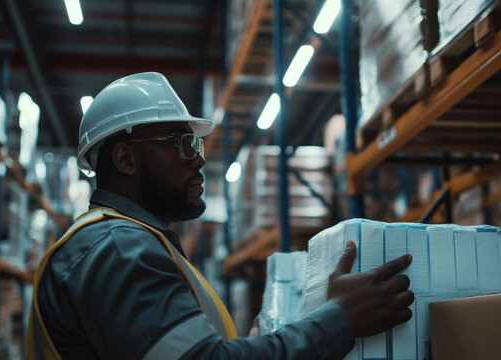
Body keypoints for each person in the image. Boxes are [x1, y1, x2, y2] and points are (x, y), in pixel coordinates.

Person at [26, 72, 414, 359]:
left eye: (196, 143)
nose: (198, 159)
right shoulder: (117, 249)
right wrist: (341, 319)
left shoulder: (128, 243)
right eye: (181, 143)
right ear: (126, 159)